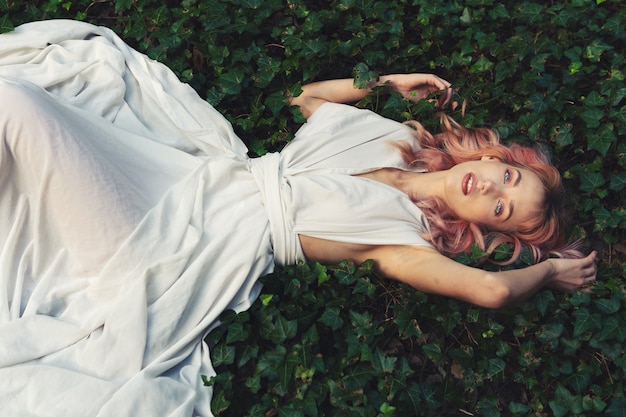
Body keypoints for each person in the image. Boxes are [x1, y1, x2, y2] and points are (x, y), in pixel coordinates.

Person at [0, 20, 596, 417]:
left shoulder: (403, 240)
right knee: (34, 108)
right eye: (510, 178)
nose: (492, 188)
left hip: (181, 248)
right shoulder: (392, 139)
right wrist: (386, 82)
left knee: (18, 106)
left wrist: (546, 274)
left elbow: (491, 289)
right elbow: (307, 100)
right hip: (187, 176)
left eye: (500, 211)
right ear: (496, 156)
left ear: (487, 230)